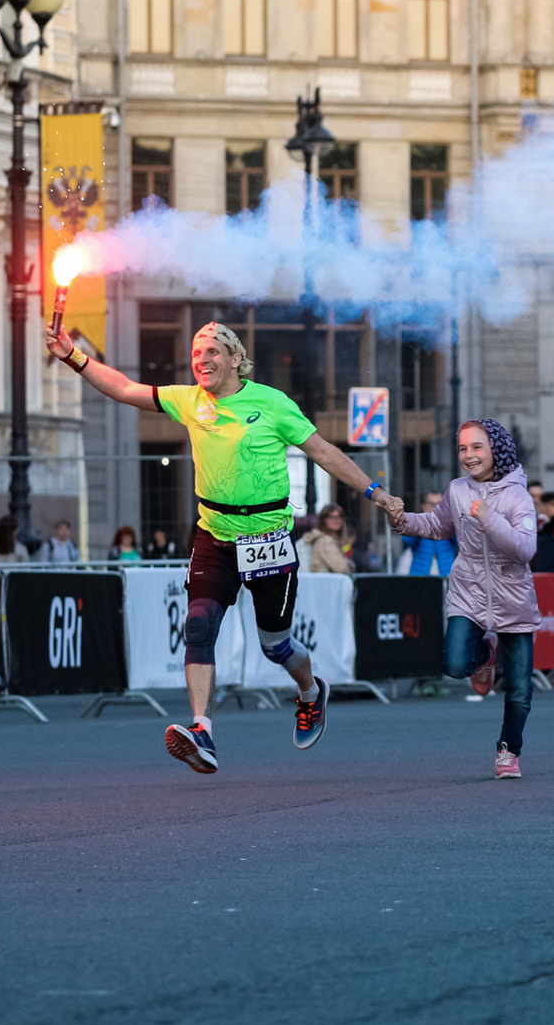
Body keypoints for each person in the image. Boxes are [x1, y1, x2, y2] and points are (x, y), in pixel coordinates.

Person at [48, 317, 391, 775]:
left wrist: (376, 493)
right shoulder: (189, 401)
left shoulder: (272, 402)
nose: (202, 359)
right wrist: (73, 356)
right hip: (214, 535)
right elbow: (125, 388)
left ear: (235, 359)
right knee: (198, 625)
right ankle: (202, 731)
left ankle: (311, 692)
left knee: (275, 645)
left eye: (211, 351)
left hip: (268, 538)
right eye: (195, 353)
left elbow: (324, 452)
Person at [390, 420, 538, 777]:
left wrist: (489, 518)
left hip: (512, 594)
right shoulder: (457, 489)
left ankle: (508, 751)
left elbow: (525, 549)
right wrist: (402, 521)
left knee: (519, 690)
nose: (468, 456)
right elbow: (437, 526)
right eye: (462, 449)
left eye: (476, 447)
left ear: (496, 450)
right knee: (456, 665)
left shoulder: (518, 495)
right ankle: (484, 654)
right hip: (468, 590)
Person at [301, 503, 356, 576]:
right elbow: (341, 568)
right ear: (323, 520)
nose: (336, 520)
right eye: (331, 517)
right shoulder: (325, 540)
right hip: (325, 581)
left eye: (339, 516)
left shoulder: (334, 539)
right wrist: (349, 564)